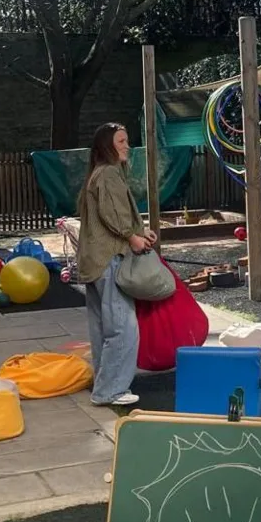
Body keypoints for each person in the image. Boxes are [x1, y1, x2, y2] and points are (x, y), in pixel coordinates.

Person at [77, 122, 157, 407]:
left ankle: (103, 383)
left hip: (94, 262)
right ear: (107, 146)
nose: (126, 145)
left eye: (126, 140)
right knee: (123, 328)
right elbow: (114, 215)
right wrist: (132, 236)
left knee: (102, 328)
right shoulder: (109, 174)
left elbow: (105, 215)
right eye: (121, 141)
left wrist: (139, 231)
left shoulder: (97, 174)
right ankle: (109, 390)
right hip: (109, 259)